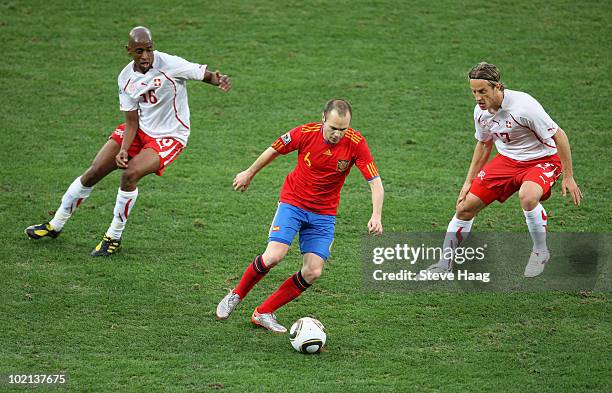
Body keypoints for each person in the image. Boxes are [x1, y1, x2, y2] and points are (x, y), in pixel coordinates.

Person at [25, 26, 231, 256]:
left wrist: (217, 79)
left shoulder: (169, 64)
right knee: (94, 172)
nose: (145, 56)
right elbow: (131, 121)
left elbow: (203, 74)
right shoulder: (125, 78)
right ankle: (55, 225)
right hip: (140, 128)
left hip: (169, 136)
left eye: (149, 50)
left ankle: (113, 236)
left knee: (130, 174)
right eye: (139, 51)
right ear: (129, 51)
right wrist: (123, 149)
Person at [216, 99, 384, 333]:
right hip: (293, 203)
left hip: (323, 214)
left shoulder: (356, 143)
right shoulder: (305, 133)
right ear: (323, 118)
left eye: (343, 129)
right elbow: (273, 150)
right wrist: (249, 172)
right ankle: (236, 294)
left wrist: (376, 215)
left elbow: (375, 182)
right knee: (274, 256)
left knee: (313, 271)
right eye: (333, 128)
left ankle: (263, 312)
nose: (337, 134)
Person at [426, 62, 582, 277]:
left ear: (497, 87)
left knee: (528, 197)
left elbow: (559, 135)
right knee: (464, 208)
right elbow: (483, 144)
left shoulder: (524, 107)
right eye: (474, 92)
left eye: (483, 91)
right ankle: (444, 265)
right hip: (507, 161)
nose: (478, 97)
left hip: (542, 160)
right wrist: (468, 182)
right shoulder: (480, 113)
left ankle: (540, 251)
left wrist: (569, 176)